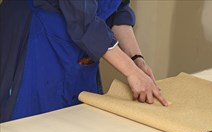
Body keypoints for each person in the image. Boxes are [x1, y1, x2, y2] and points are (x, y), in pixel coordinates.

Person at [0, 0, 168, 123]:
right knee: (33, 128)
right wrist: (131, 71)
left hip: (85, 41)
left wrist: (136, 60)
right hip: (38, 36)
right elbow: (83, 20)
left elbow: (118, 11)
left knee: (80, 129)